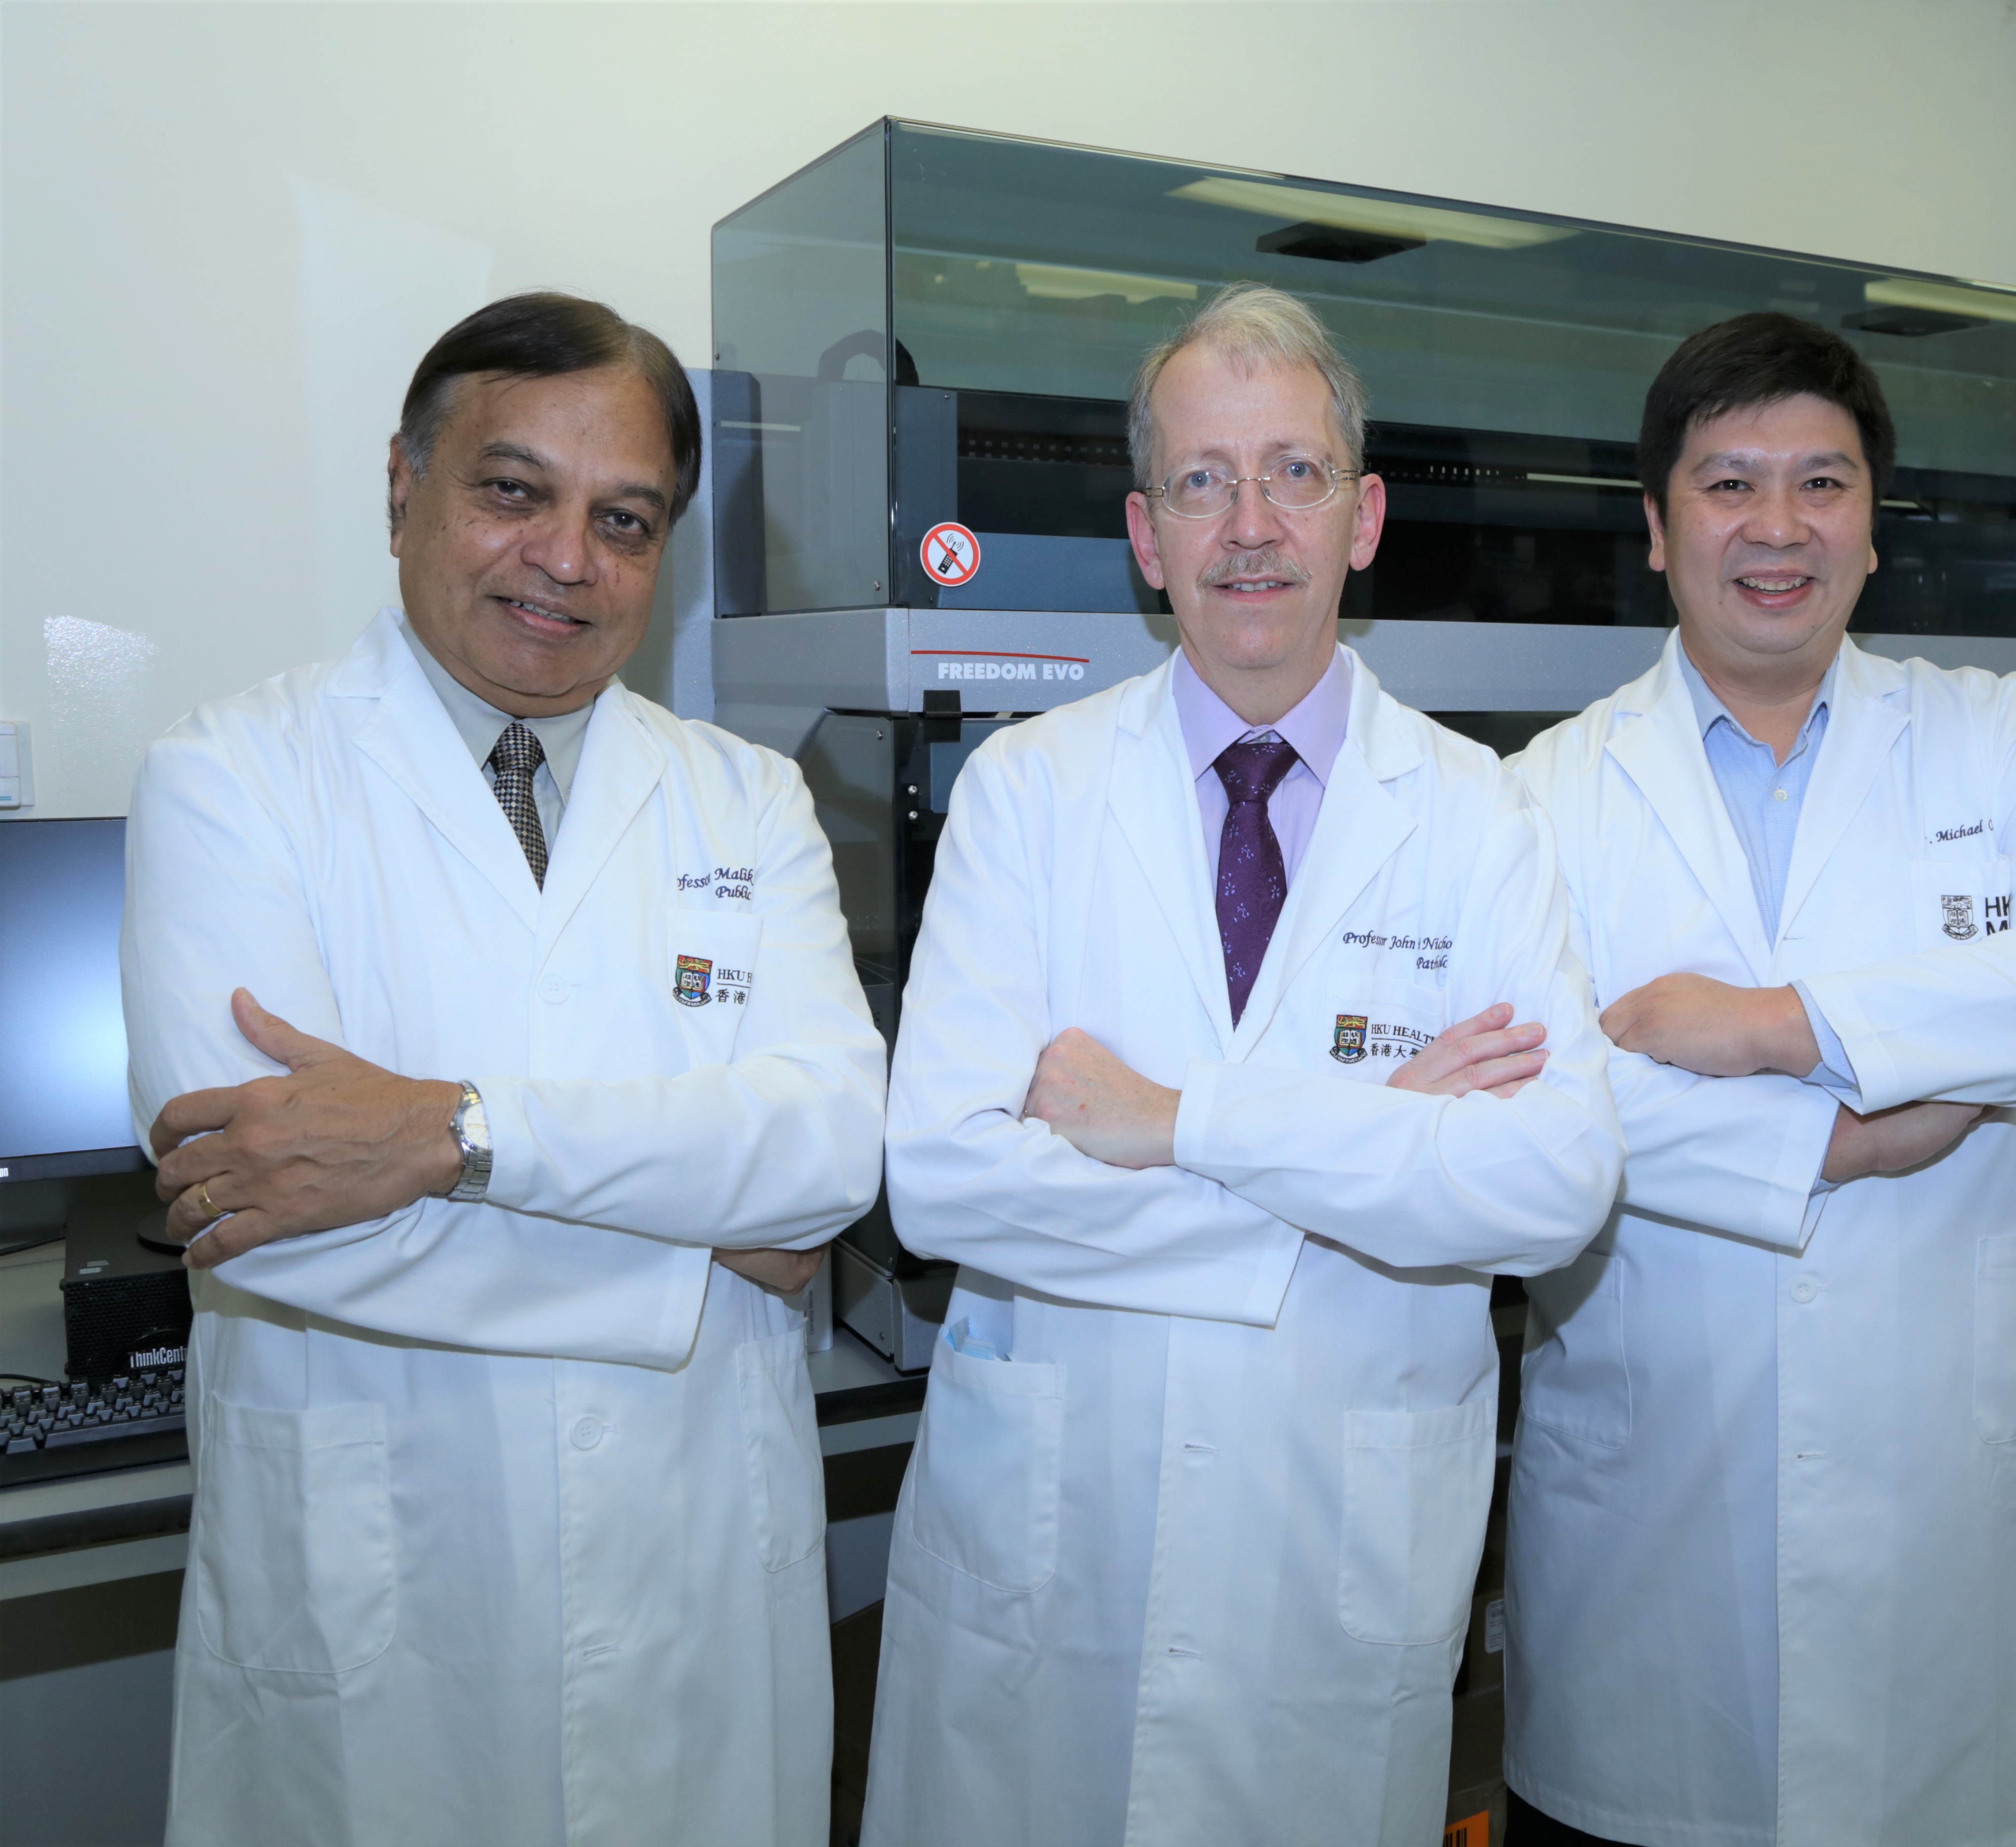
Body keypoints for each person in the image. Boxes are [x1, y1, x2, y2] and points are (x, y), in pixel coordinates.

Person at [121, 293, 886, 1847]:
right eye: (511, 490)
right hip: (382, 1591)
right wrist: (707, 1240)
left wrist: (449, 1136)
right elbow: (263, 1204)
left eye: (626, 519)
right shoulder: (231, 782)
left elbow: (829, 1156)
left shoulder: (746, 800)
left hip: (692, 1586)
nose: (567, 559)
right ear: (404, 483)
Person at [862, 283, 1623, 1847]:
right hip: (1054, 1559)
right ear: (1147, 536)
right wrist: (1366, 1154)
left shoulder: (1480, 815)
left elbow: (1554, 1185)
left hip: (1324, 1562)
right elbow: (941, 1177)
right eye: (1204, 480)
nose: (1250, 523)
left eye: (1294, 471)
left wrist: (1172, 1123)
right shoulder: (1030, 793)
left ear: (1366, 516)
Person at [1504, 312, 2016, 1847]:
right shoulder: (1542, 795)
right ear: (1657, 527)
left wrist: (1775, 1025)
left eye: (1824, 482)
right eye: (1730, 483)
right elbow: (1533, 1106)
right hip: (1657, 1500)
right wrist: (1847, 1149)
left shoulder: (1993, 734)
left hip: (1939, 1501)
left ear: (1875, 528)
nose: (1779, 527)